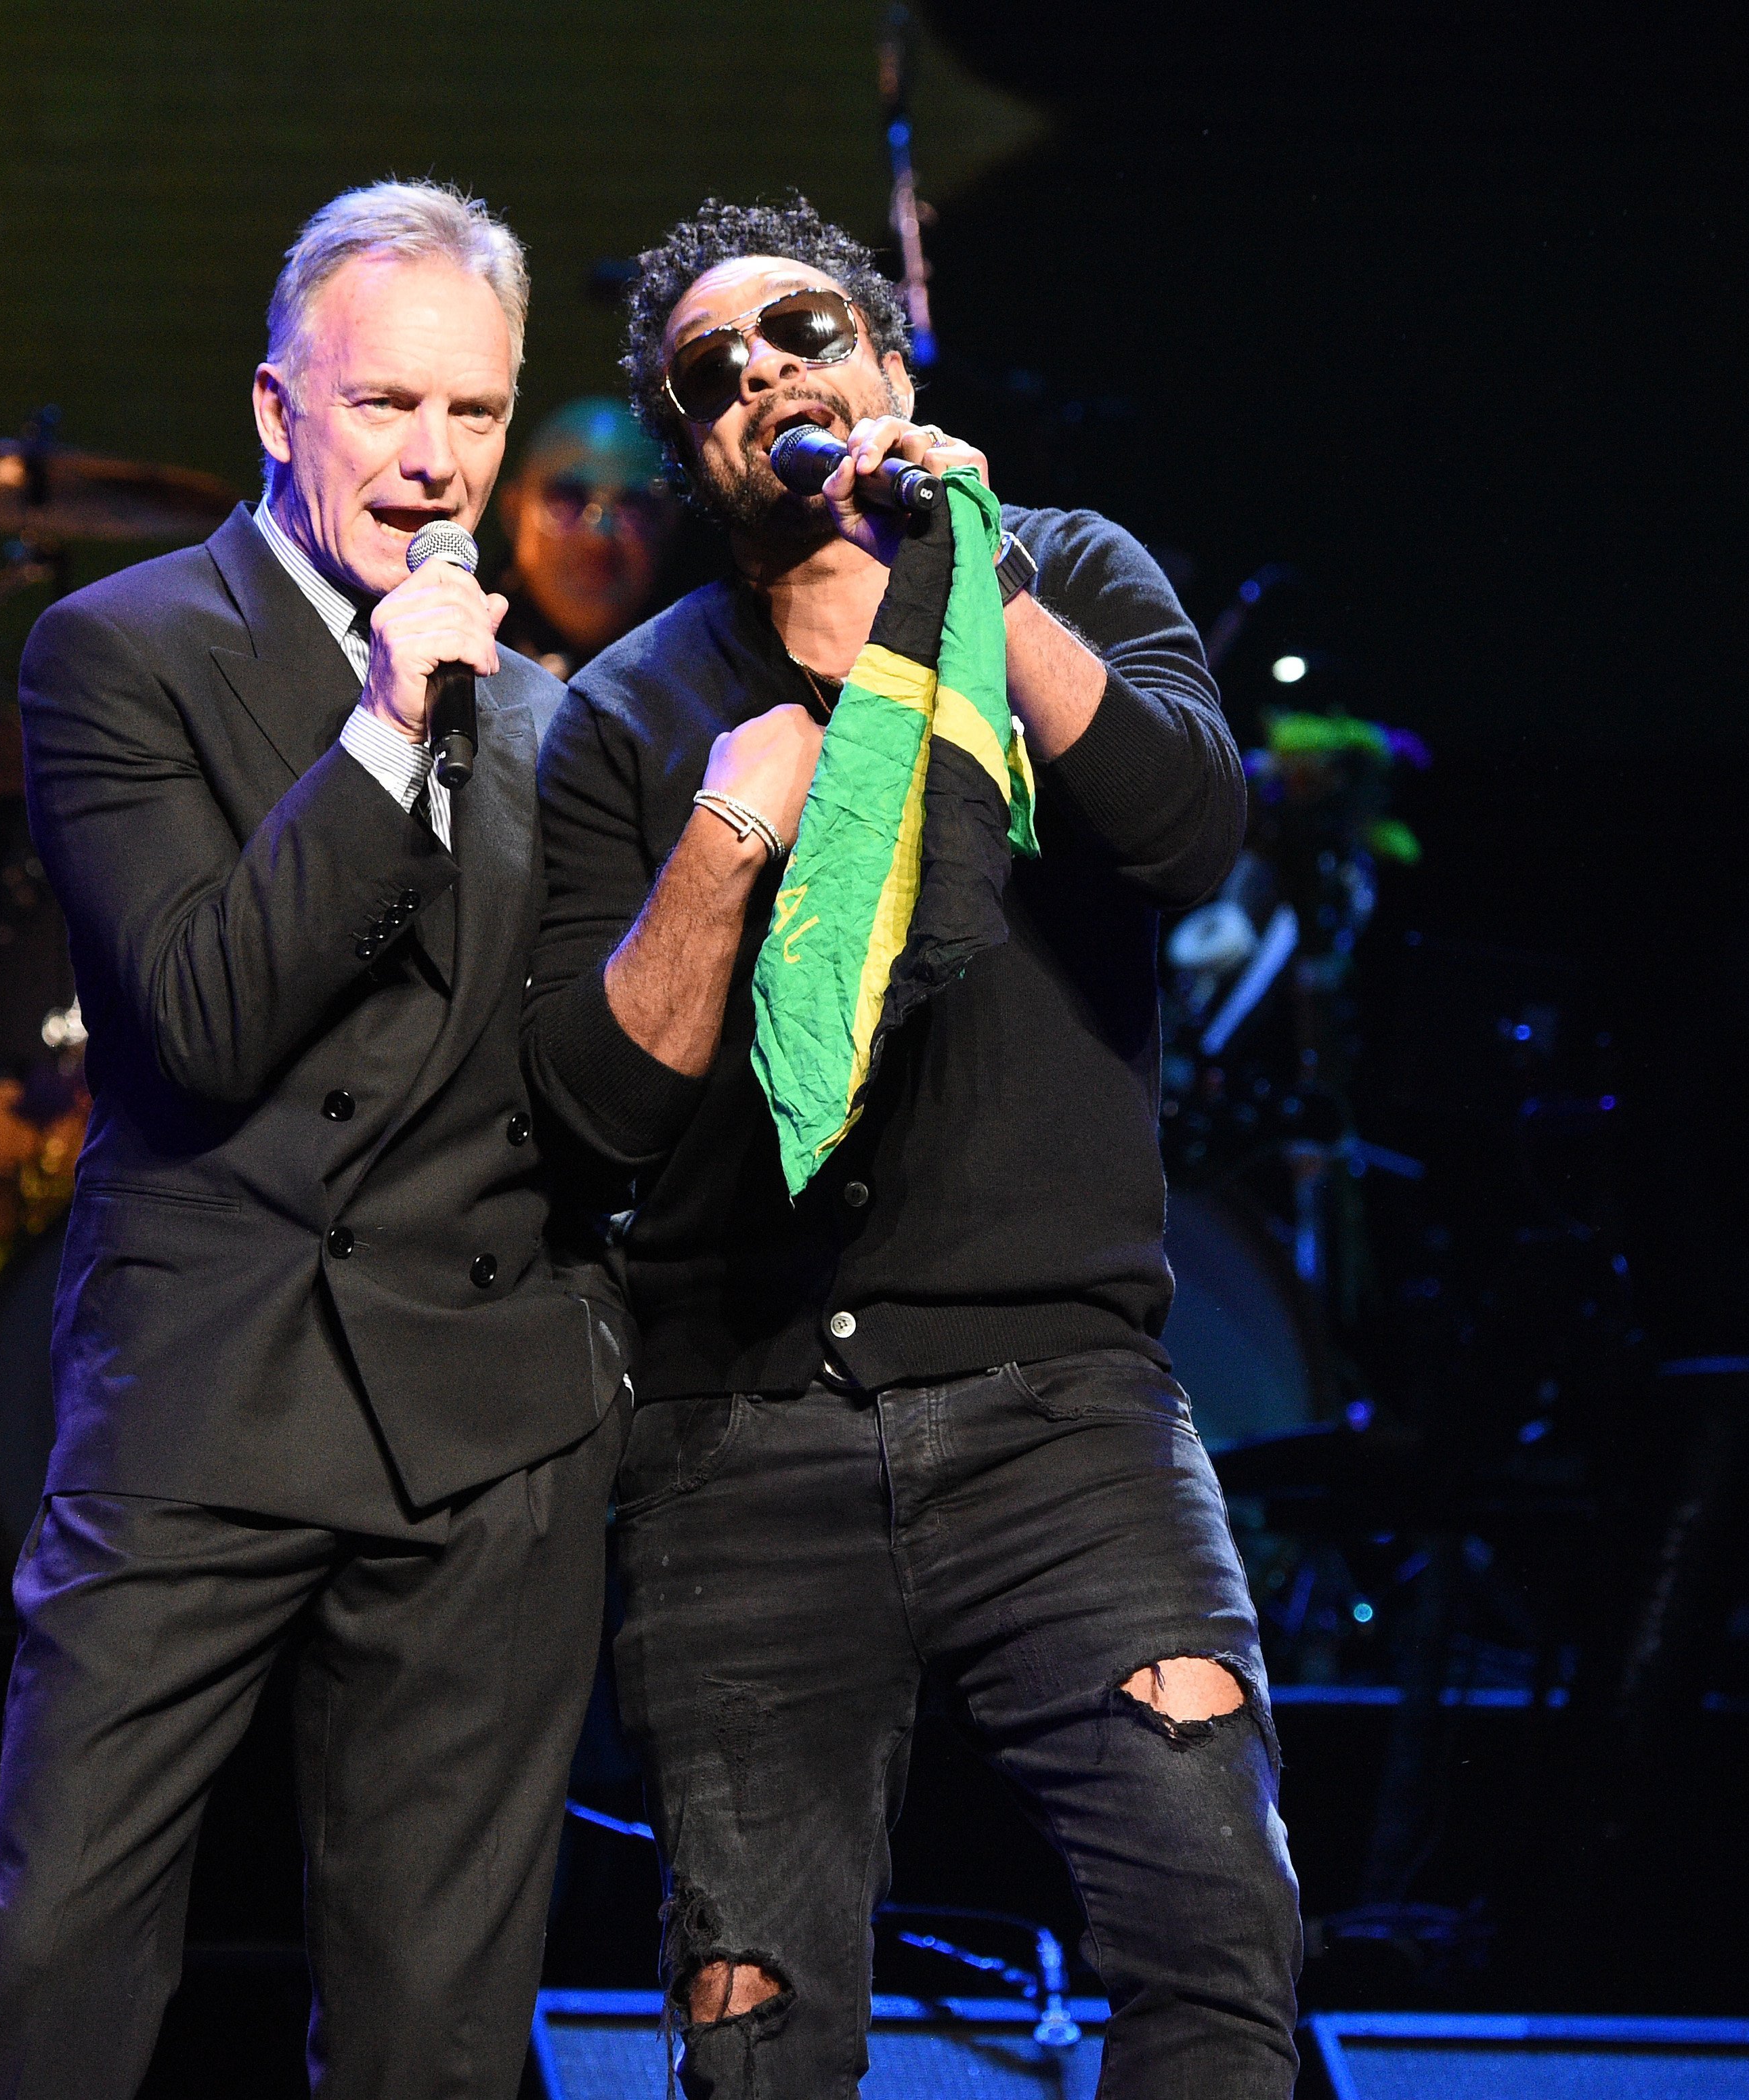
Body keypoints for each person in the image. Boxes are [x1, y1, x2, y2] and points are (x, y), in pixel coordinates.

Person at [525, 194, 1301, 2098]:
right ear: (692, 447)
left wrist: (969, 572)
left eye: (799, 331)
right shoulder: (634, 712)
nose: (762, 375)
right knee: (756, 2036)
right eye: (708, 373)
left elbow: (1186, 833)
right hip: (741, 1431)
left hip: (1064, 1409)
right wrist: (723, 840)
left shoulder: (1069, 574)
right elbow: (596, 1107)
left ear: (888, 361)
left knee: (1217, 1943)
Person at [0, 181, 630, 2100]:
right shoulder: (119, 649)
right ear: (272, 407)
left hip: (482, 1418)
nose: (432, 462)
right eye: (385, 406)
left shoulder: (556, 719)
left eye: (473, 416)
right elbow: (208, 1013)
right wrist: (390, 726)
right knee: (56, 1948)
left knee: (442, 2025)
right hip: (212, 1386)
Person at [495, 395, 676, 677]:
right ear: (514, 512)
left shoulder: (703, 670)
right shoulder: (454, 652)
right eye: (567, 502)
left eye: (633, 508)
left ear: (670, 523)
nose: (599, 536)